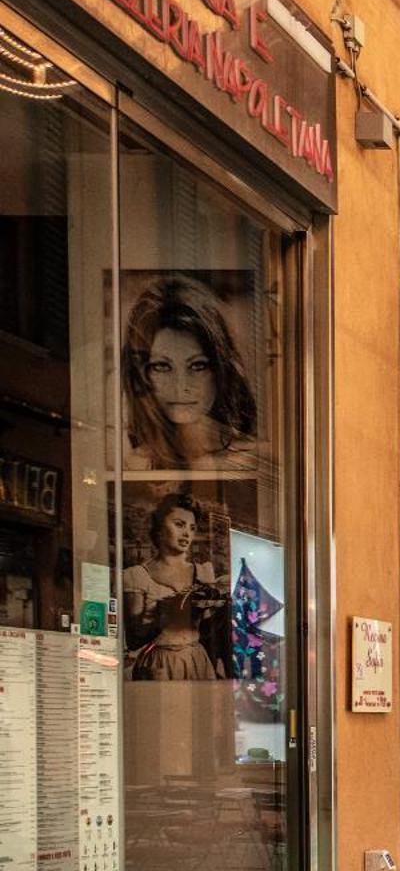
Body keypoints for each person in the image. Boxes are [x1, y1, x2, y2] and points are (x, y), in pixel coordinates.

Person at [122, 274, 261, 471]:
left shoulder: (252, 461)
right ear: (141, 374)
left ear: (220, 368)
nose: (181, 387)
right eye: (162, 366)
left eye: (197, 366)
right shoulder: (132, 465)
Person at [125, 494, 227, 680]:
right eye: (179, 524)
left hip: (197, 660)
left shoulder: (203, 571)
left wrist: (220, 609)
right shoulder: (137, 576)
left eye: (192, 528)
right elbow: (133, 639)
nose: (187, 533)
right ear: (159, 529)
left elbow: (210, 632)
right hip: (160, 663)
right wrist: (167, 615)